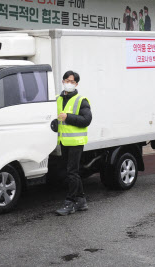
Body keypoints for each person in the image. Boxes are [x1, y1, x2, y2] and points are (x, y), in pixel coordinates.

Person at [54, 70, 92, 216]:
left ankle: (70, 202)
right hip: (63, 141)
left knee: (72, 172)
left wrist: (68, 117)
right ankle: (81, 200)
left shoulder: (81, 100)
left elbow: (86, 120)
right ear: (63, 81)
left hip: (76, 141)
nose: (68, 83)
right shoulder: (57, 98)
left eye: (72, 81)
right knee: (69, 172)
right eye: (66, 80)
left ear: (76, 84)